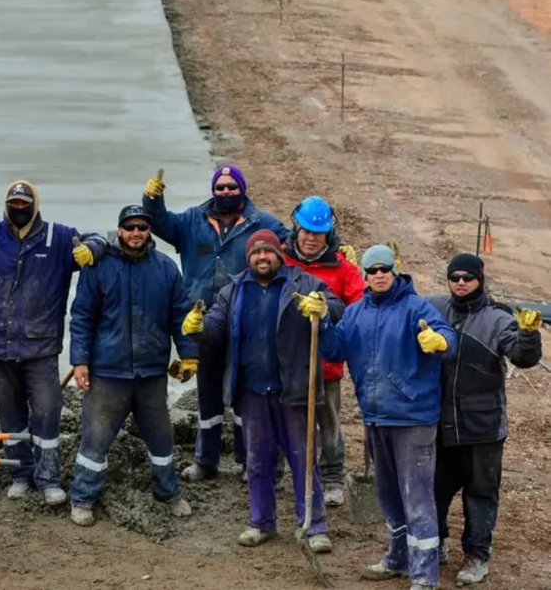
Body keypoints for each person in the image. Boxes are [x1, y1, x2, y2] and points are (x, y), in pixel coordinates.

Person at [0, 180, 105, 506]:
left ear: (35, 204)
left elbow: (99, 238)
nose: (19, 208)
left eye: (24, 203)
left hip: (40, 347)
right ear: (6, 204)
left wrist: (94, 249)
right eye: (13, 203)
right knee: (10, 415)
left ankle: (49, 479)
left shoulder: (56, 237)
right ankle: (19, 475)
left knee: (48, 411)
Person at [182, 229, 344, 549]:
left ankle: (314, 527)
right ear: (249, 258)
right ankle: (262, 522)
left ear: (278, 255)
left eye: (267, 252)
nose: (262, 257)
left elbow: (338, 306)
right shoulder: (234, 291)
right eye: (255, 253)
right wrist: (198, 329)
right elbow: (215, 327)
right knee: (258, 462)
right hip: (253, 392)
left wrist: (322, 307)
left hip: (294, 390)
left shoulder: (302, 283)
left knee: (303, 459)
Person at [316, 244, 457, 590]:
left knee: (417, 496)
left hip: (414, 418)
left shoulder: (415, 308)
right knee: (389, 493)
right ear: (364, 275)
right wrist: (320, 323)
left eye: (384, 269)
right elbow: (334, 349)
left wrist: (440, 340)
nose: (379, 275)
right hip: (376, 416)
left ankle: (424, 575)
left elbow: (449, 338)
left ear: (395, 270)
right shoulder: (355, 313)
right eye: (372, 270)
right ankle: (396, 557)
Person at [142, 164, 289, 481]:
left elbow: (297, 246)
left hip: (246, 320)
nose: (225, 192)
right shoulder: (193, 220)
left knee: (244, 394)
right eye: (220, 187)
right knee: (207, 393)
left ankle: (249, 461)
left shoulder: (261, 222)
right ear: (213, 190)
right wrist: (151, 201)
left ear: (242, 189)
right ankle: (205, 461)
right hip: (203, 320)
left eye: (231, 187)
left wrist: (334, 248)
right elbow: (159, 224)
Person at [68, 204, 197, 526]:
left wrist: (189, 355)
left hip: (151, 374)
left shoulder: (167, 268)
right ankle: (83, 498)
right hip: (108, 373)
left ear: (148, 231)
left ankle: (168, 493)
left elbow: (180, 316)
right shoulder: (98, 267)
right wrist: (80, 361)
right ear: (120, 230)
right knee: (95, 439)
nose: (136, 233)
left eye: (142, 227)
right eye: (130, 227)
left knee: (162, 438)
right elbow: (82, 317)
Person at [429, 253, 542, 586]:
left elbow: (524, 358)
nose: (460, 282)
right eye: (454, 277)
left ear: (480, 279)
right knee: (434, 489)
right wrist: (397, 276)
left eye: (467, 277)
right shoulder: (436, 309)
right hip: (442, 423)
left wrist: (528, 335)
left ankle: (477, 555)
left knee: (480, 494)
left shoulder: (498, 320)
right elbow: (400, 307)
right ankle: (435, 545)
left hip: (484, 428)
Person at [284, 195, 364, 507]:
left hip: (326, 362)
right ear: (296, 228)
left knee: (328, 421)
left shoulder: (344, 268)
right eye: (305, 231)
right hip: (287, 360)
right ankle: (285, 474)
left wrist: (330, 310)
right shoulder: (281, 258)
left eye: (317, 233)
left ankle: (332, 477)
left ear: (328, 234)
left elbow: (358, 309)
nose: (310, 238)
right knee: (287, 419)